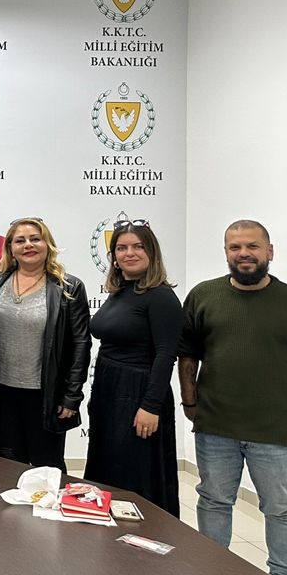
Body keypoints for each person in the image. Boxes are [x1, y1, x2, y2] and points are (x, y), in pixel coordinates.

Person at [178, 220, 287, 575]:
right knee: (213, 500)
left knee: (282, 508)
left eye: (252, 246)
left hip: (275, 430)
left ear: (269, 251)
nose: (244, 254)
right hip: (215, 426)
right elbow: (187, 354)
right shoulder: (203, 295)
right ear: (226, 252)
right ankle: (213, 574)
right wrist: (189, 400)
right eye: (235, 247)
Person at [84, 218, 182, 517]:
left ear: (152, 252)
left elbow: (166, 354)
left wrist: (151, 405)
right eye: (122, 248)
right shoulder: (121, 291)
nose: (129, 253)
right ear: (113, 256)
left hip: (139, 394)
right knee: (109, 466)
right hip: (110, 392)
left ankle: (146, 533)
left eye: (138, 247)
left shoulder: (161, 296)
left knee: (135, 471)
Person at [0, 218, 89, 471]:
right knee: (7, 464)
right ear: (10, 248)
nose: (28, 245)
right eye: (20, 240)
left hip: (45, 395)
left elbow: (80, 345)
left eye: (35, 239)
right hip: (0, 391)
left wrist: (72, 396)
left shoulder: (69, 287)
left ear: (47, 244)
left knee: (47, 468)